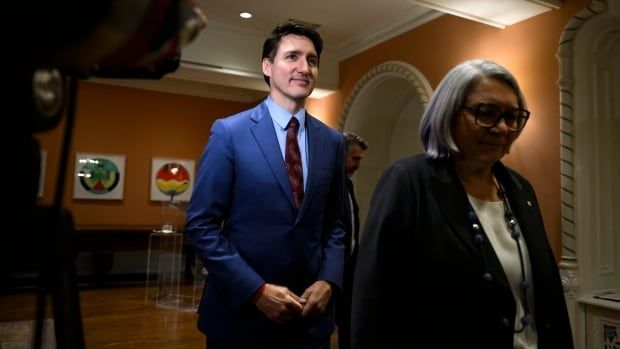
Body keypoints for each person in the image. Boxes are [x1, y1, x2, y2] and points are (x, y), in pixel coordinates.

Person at [351, 59, 574, 349]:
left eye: (512, 116)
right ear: (448, 113)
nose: (503, 127)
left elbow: (549, 299)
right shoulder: (408, 182)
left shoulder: (520, 189)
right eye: (487, 113)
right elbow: (373, 301)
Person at [184, 20, 347, 349]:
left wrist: (329, 280)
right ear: (267, 66)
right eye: (292, 57)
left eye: (312, 60)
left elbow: (336, 224)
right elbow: (201, 225)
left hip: (309, 321)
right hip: (241, 317)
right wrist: (256, 291)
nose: (304, 67)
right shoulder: (229, 133)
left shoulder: (332, 142)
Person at [335, 132, 367, 349]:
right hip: (330, 269)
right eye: (355, 158)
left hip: (348, 268)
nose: (358, 164)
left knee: (348, 321)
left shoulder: (348, 185)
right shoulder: (327, 185)